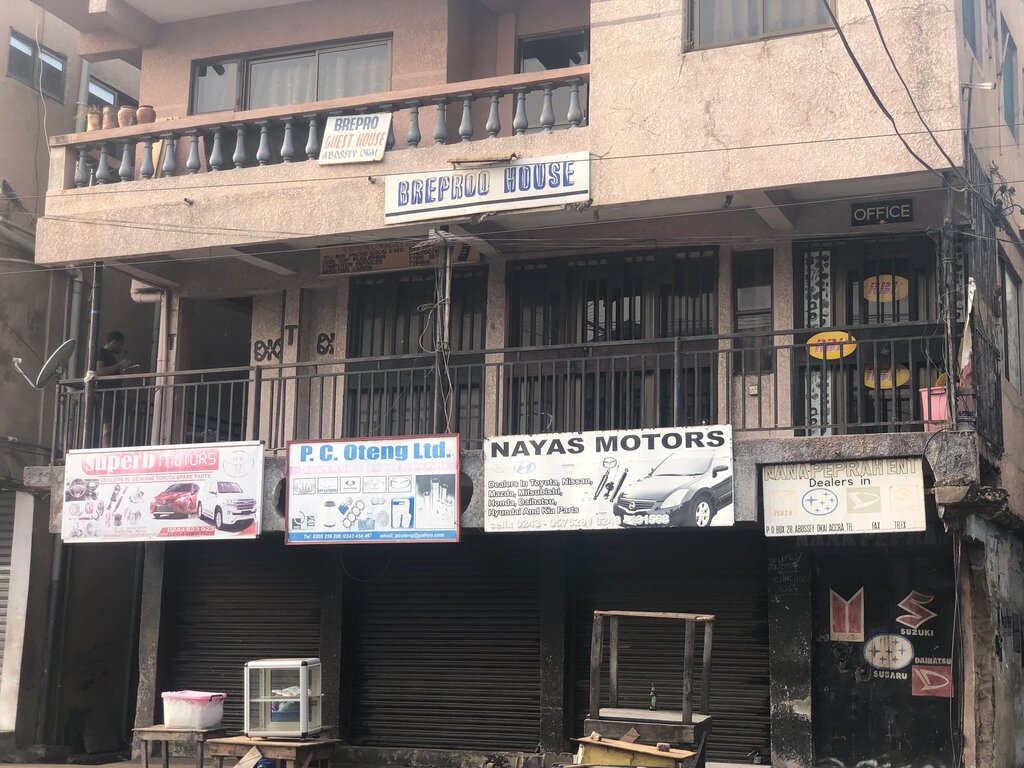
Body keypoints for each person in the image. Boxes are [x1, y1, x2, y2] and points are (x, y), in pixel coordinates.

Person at [95, 330, 133, 448]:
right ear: (114, 342)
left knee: (114, 426)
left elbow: (114, 377)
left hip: (114, 395)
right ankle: (106, 451)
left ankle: (111, 448)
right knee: (108, 426)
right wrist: (119, 365)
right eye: (120, 344)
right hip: (107, 395)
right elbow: (100, 371)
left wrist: (123, 371)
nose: (121, 348)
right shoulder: (102, 352)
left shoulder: (111, 356)